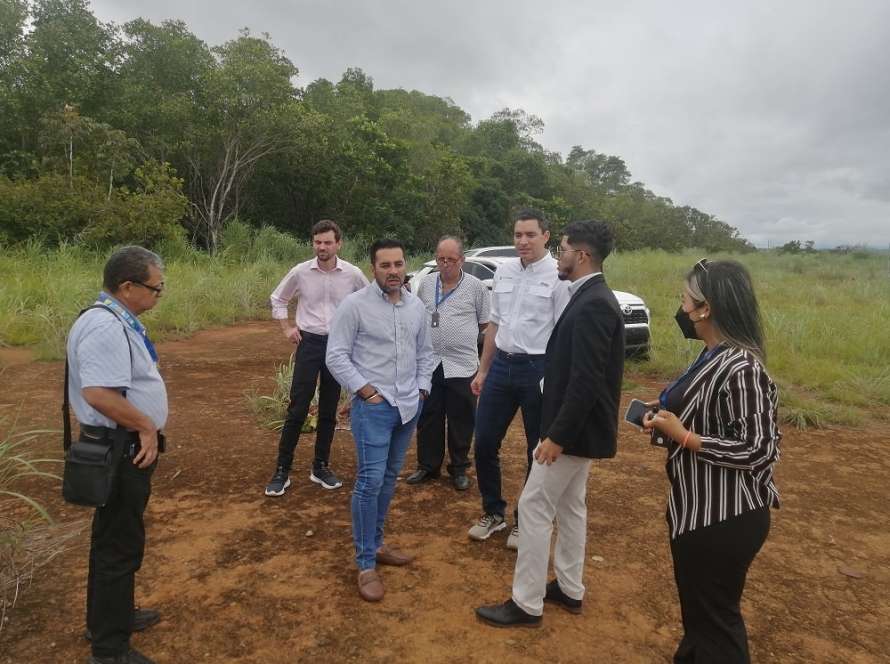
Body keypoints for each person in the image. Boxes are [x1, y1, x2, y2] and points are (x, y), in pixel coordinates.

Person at [476, 220, 625, 628]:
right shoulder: (588, 295)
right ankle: (569, 588)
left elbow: (586, 380)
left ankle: (526, 603)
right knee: (571, 507)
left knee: (534, 505)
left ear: (583, 255)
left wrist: (556, 435)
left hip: (571, 433)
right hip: (578, 430)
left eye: (562, 248)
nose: (559, 255)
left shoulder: (593, 302)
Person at [642, 259, 781, 663]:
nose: (681, 309)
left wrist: (685, 436)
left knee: (716, 624)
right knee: (702, 621)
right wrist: (667, 416)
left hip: (723, 516)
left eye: (686, 300)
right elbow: (704, 410)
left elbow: (759, 449)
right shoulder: (710, 355)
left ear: (706, 309)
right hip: (697, 510)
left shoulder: (742, 367)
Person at [66, 246, 168, 664]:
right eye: (155, 288)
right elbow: (99, 393)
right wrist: (145, 425)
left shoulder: (110, 320)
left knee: (111, 538)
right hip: (121, 448)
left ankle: (111, 615)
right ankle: (110, 648)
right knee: (118, 545)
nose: (159, 295)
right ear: (127, 287)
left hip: (120, 445)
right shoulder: (106, 327)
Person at [326, 238, 437, 602]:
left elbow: (426, 353)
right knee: (369, 481)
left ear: (406, 266)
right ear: (373, 268)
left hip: (407, 407)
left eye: (398, 264)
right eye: (385, 265)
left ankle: (376, 544)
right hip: (374, 408)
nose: (393, 271)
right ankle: (365, 563)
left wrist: (422, 389)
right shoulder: (353, 306)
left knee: (389, 478)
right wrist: (365, 391)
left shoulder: (416, 308)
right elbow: (336, 356)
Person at [468, 209, 569, 549]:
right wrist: (483, 369)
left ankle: (525, 521)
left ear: (546, 236)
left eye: (529, 235)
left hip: (539, 370)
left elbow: (563, 334)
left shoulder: (558, 276)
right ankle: (493, 512)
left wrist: (556, 380)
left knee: (535, 450)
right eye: (517, 235)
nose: (522, 241)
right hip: (501, 367)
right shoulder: (505, 271)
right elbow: (494, 324)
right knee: (483, 441)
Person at [264, 220, 368, 496]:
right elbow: (278, 298)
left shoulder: (353, 274)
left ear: (338, 244)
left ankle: (320, 466)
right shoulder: (300, 272)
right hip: (309, 344)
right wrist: (286, 327)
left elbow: (368, 302)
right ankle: (282, 470)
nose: (322, 247)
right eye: (318, 242)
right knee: (298, 407)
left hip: (338, 347)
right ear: (313, 243)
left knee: (329, 409)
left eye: (328, 242)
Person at [406, 236, 489, 491]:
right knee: (429, 416)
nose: (445, 264)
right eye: (441, 259)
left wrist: (483, 367)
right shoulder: (427, 283)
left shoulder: (476, 287)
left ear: (462, 260)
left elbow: (486, 325)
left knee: (461, 417)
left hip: (462, 364)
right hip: (431, 363)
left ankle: (459, 467)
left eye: (451, 259)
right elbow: (421, 318)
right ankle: (428, 466)